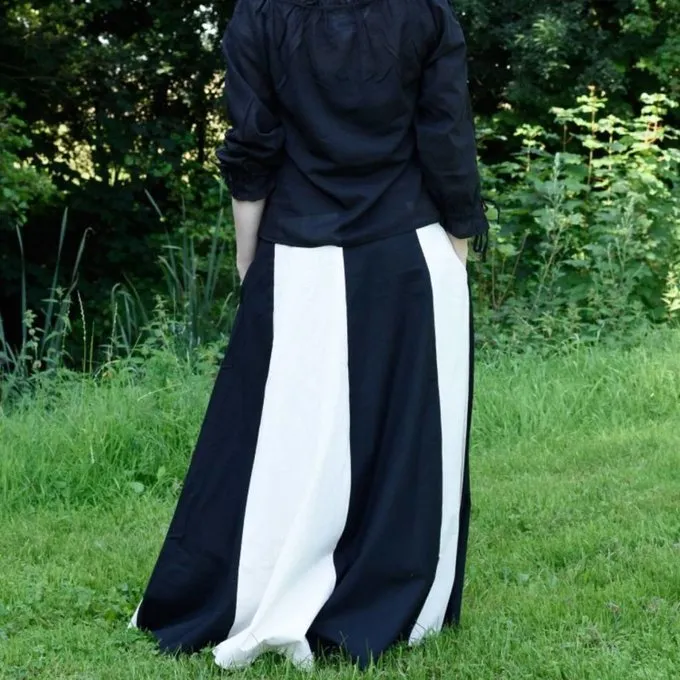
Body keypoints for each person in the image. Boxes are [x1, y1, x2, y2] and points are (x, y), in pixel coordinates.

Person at [131, 0, 489, 670]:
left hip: (299, 246)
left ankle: (271, 587)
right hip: (408, 249)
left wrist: (249, 256)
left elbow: (253, 142)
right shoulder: (424, 10)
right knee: (405, 441)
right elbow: (446, 133)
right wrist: (461, 240)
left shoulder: (260, 14)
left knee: (281, 440)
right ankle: (385, 601)